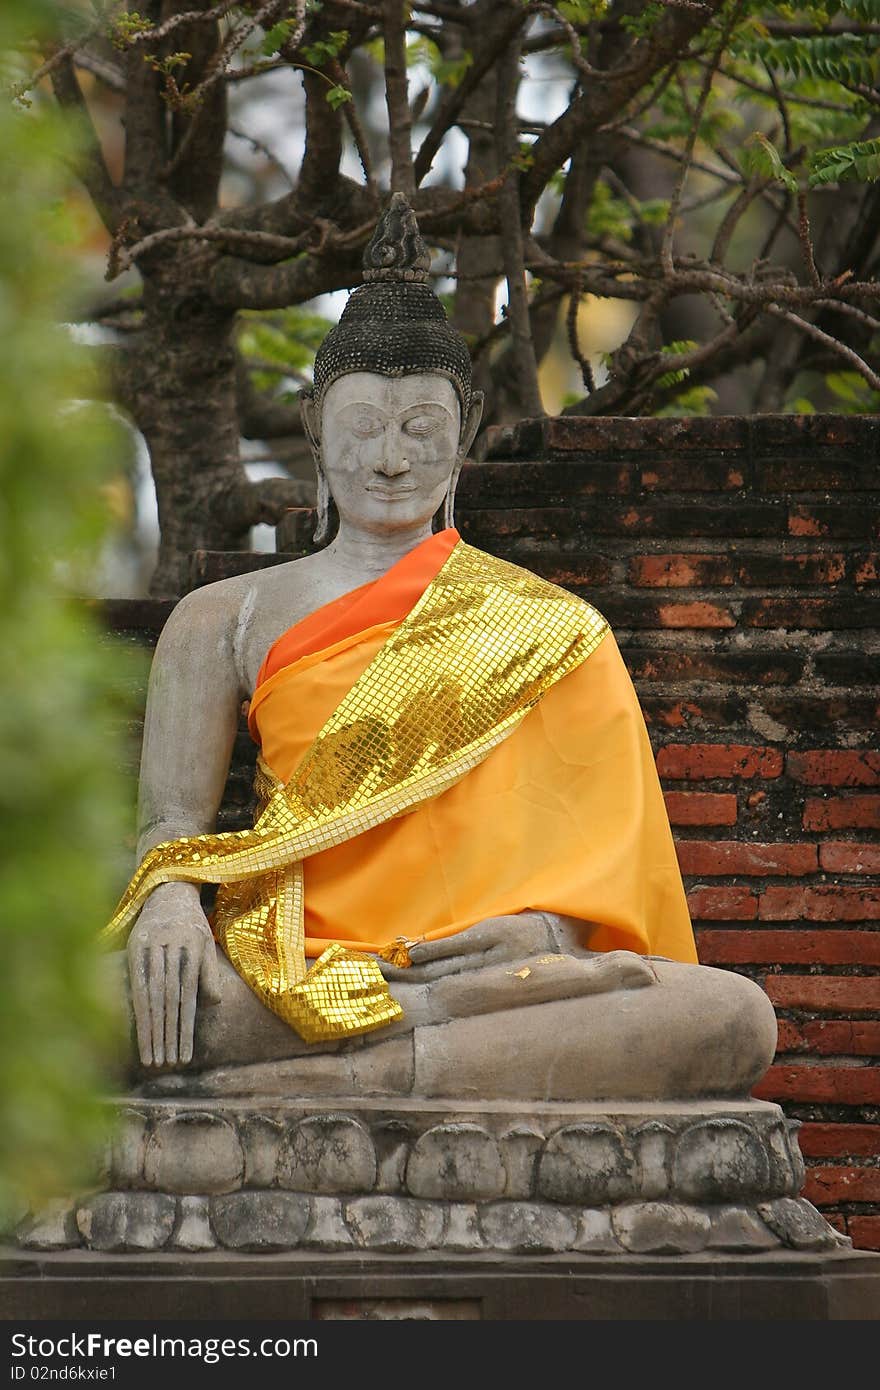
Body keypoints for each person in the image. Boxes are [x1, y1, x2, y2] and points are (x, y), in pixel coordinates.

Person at [105, 195, 776, 1102]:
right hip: (293, 967)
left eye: (420, 429)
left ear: (463, 434)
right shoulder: (223, 615)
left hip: (498, 981)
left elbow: (612, 883)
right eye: (362, 428)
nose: (390, 459)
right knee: (88, 1009)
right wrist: (170, 906)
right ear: (313, 430)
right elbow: (171, 832)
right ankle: (395, 1054)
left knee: (730, 1019)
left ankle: (352, 1072)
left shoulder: (551, 628)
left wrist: (546, 939)